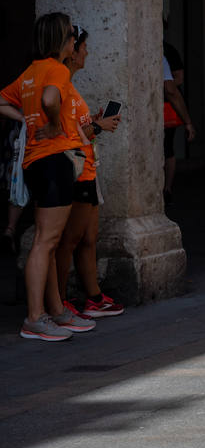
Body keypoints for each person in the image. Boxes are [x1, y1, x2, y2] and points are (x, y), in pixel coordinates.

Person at [0, 13, 91, 340]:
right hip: (54, 159)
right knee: (45, 241)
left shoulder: (29, 73)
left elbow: (1, 100)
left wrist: (26, 118)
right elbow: (51, 99)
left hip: (36, 162)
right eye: (70, 35)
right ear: (61, 41)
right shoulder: (56, 70)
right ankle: (35, 316)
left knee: (46, 240)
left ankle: (54, 311)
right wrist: (50, 123)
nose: (74, 41)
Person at [55, 26, 124, 320]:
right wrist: (98, 126)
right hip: (75, 169)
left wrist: (93, 122)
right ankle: (57, 300)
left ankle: (93, 297)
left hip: (87, 166)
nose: (86, 52)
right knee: (70, 238)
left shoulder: (70, 87)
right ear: (72, 51)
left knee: (89, 237)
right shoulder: (59, 86)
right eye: (82, 47)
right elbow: (64, 135)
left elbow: (77, 129)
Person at [162, 36, 195, 203]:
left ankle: (167, 188)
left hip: (166, 107)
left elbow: (175, 84)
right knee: (166, 147)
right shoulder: (162, 52)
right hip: (163, 104)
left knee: (167, 146)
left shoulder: (167, 50)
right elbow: (171, 89)